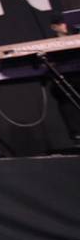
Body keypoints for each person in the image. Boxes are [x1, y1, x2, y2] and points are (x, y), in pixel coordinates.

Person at [48, 14, 80, 144]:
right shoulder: (50, 43)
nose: (64, 26)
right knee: (64, 96)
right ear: (54, 27)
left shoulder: (76, 36)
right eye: (60, 24)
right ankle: (77, 134)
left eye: (65, 23)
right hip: (65, 80)